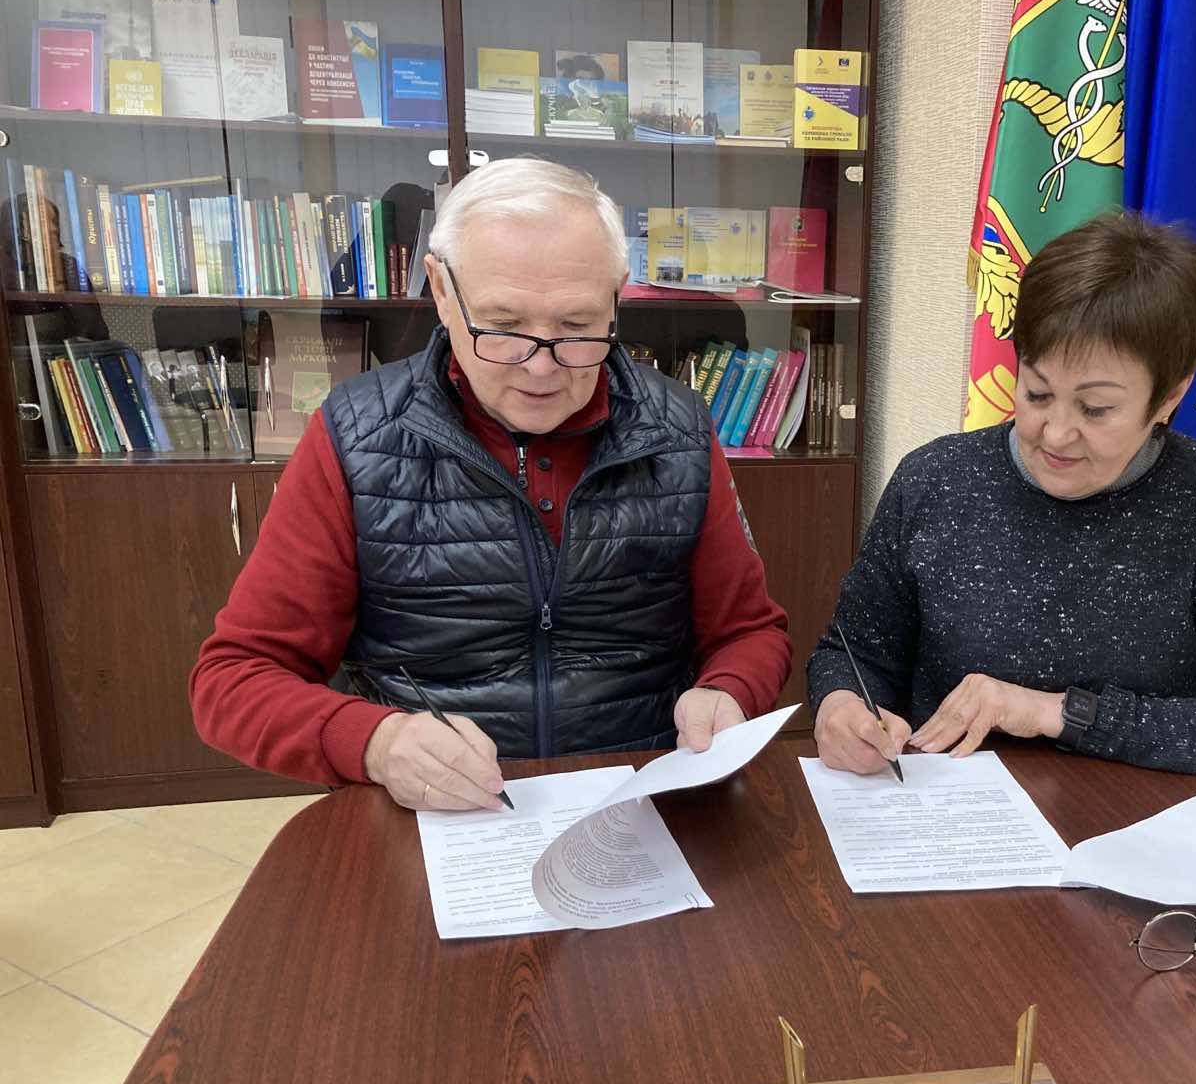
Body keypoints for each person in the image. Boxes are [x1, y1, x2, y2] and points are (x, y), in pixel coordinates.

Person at [191, 157, 790, 811]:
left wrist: (728, 691)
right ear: (442, 291)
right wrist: (375, 742)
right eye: (503, 327)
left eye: (576, 327)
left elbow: (750, 633)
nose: (541, 367)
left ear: (616, 296)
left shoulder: (677, 428)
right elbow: (233, 680)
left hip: (638, 797)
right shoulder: (355, 437)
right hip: (438, 812)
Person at [808, 212, 1196, 791]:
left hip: (1139, 826)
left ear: (1168, 399)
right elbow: (854, 652)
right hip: (949, 821)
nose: (1055, 434)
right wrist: (841, 705)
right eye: (1037, 393)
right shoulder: (936, 478)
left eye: (1095, 409)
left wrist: (1056, 712)